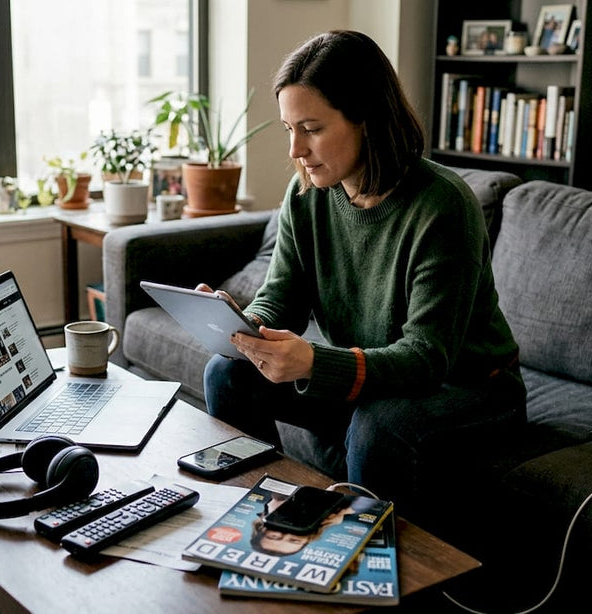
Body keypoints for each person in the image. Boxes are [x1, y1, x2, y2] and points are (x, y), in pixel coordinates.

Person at [199, 30, 526, 505]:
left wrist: (313, 361)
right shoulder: (306, 195)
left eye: (311, 129)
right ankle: (258, 515)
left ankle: (366, 558)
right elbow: (282, 295)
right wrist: (251, 326)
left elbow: (426, 357)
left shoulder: (443, 207)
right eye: (289, 129)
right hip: (376, 376)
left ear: (367, 119)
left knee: (380, 422)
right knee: (225, 374)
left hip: (471, 387)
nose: (295, 150)